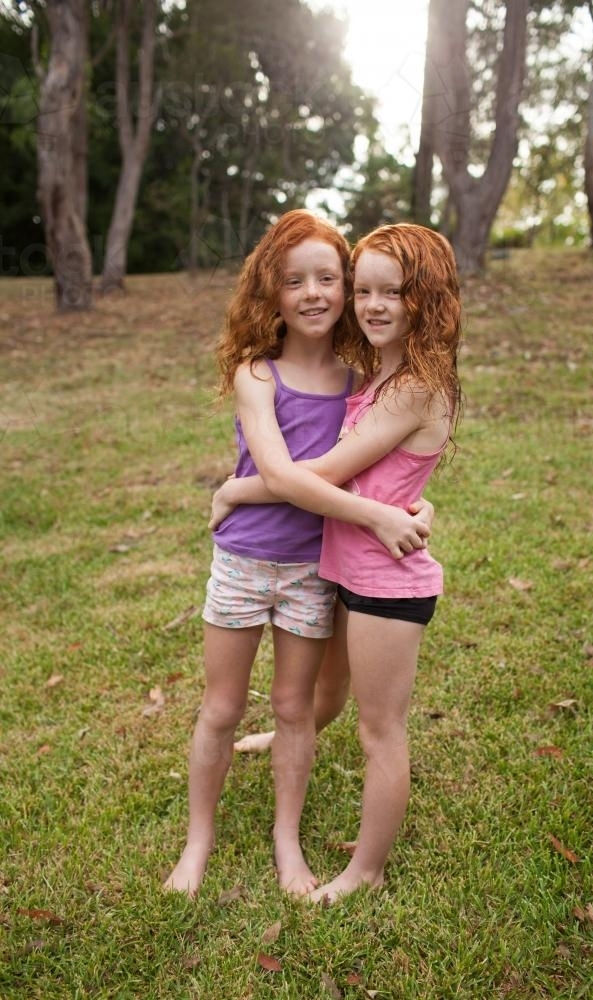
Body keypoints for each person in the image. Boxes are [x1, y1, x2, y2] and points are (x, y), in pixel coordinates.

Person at [164, 210, 432, 898]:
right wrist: (261, 494)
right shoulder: (258, 374)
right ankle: (199, 841)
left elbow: (369, 470)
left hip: (314, 571)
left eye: (328, 278)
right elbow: (287, 474)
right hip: (244, 563)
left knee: (292, 707)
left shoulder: (357, 380)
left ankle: (287, 838)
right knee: (221, 708)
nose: (313, 292)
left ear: (344, 288)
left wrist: (235, 488)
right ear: (271, 292)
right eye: (294, 280)